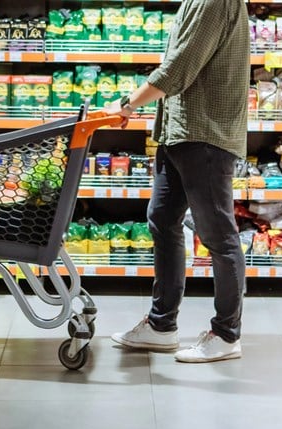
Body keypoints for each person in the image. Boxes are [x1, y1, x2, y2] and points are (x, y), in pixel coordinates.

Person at [107, 0, 250, 362]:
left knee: (219, 234)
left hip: (205, 134)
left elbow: (179, 69)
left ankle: (226, 334)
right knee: (162, 219)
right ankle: (161, 326)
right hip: (179, 132)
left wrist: (128, 104)